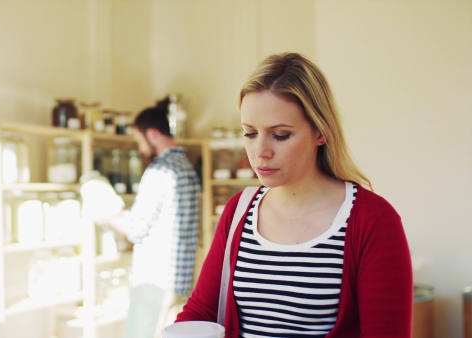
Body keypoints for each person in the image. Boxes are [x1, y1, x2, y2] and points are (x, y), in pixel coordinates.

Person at [175, 52, 413, 337]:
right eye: (250, 133)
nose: (260, 151)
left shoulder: (373, 221)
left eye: (280, 135)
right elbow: (201, 312)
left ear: (321, 132)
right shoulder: (239, 211)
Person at [100, 106, 201, 338]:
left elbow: (135, 230)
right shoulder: (186, 167)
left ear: (153, 134)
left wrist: (108, 214)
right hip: (180, 279)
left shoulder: (160, 171)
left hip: (154, 278)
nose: (140, 148)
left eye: (140, 141)